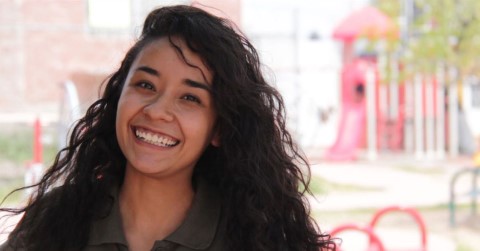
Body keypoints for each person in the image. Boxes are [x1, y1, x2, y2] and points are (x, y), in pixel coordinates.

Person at [0, 5, 335, 251]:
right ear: (118, 97)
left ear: (219, 129)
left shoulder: (255, 238)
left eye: (190, 97)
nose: (158, 111)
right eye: (145, 85)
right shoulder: (55, 220)